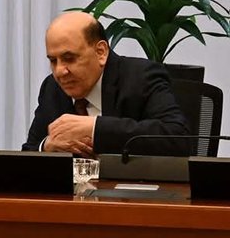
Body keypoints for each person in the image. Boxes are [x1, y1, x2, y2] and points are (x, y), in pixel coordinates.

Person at [22, 11, 191, 156]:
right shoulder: (52, 88)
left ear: (101, 52)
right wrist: (46, 147)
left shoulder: (141, 78)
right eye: (53, 60)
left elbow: (177, 138)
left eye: (69, 58)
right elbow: (28, 153)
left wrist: (95, 128)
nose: (59, 71)